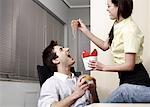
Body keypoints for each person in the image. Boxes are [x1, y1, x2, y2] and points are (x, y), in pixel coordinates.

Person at [73, 0, 150, 102]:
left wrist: (103, 67)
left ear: (119, 6)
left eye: (109, 6)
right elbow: (105, 46)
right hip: (124, 78)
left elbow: (129, 65)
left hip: (136, 79)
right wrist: (85, 30)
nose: (107, 9)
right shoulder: (117, 24)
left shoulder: (129, 29)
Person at [38, 40, 99, 107]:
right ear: (56, 60)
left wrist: (93, 91)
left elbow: (95, 104)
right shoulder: (51, 83)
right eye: (61, 49)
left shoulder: (80, 81)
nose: (67, 49)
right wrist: (75, 95)